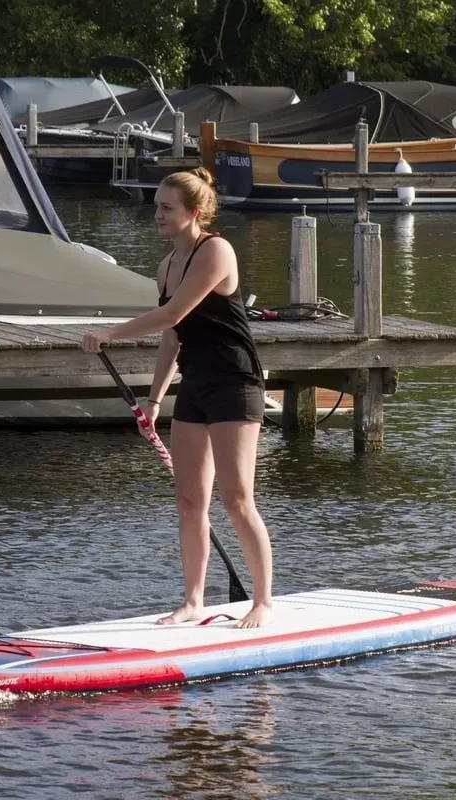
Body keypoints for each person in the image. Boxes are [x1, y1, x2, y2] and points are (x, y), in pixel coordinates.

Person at [81, 167, 274, 629]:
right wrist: (153, 398)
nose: (158, 216)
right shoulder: (166, 266)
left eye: (166, 208)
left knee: (237, 499)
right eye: (156, 208)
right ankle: (192, 602)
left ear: (193, 212)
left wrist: (111, 332)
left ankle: (263, 601)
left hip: (235, 383)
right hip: (197, 385)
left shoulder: (217, 251)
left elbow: (174, 310)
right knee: (189, 502)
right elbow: (174, 334)